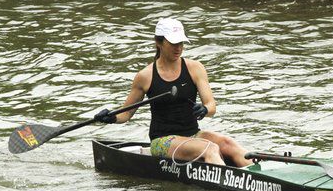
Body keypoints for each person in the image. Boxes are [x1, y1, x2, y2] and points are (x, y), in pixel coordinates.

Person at [95, 18, 252, 167]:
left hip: (193, 135)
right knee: (210, 149)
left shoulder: (195, 68)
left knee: (227, 143)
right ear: (159, 42)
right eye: (173, 43)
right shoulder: (145, 76)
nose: (179, 48)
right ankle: (225, 187)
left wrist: (204, 110)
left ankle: (264, 177)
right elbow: (126, 114)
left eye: (181, 43)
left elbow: (211, 106)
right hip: (162, 142)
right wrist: (111, 117)